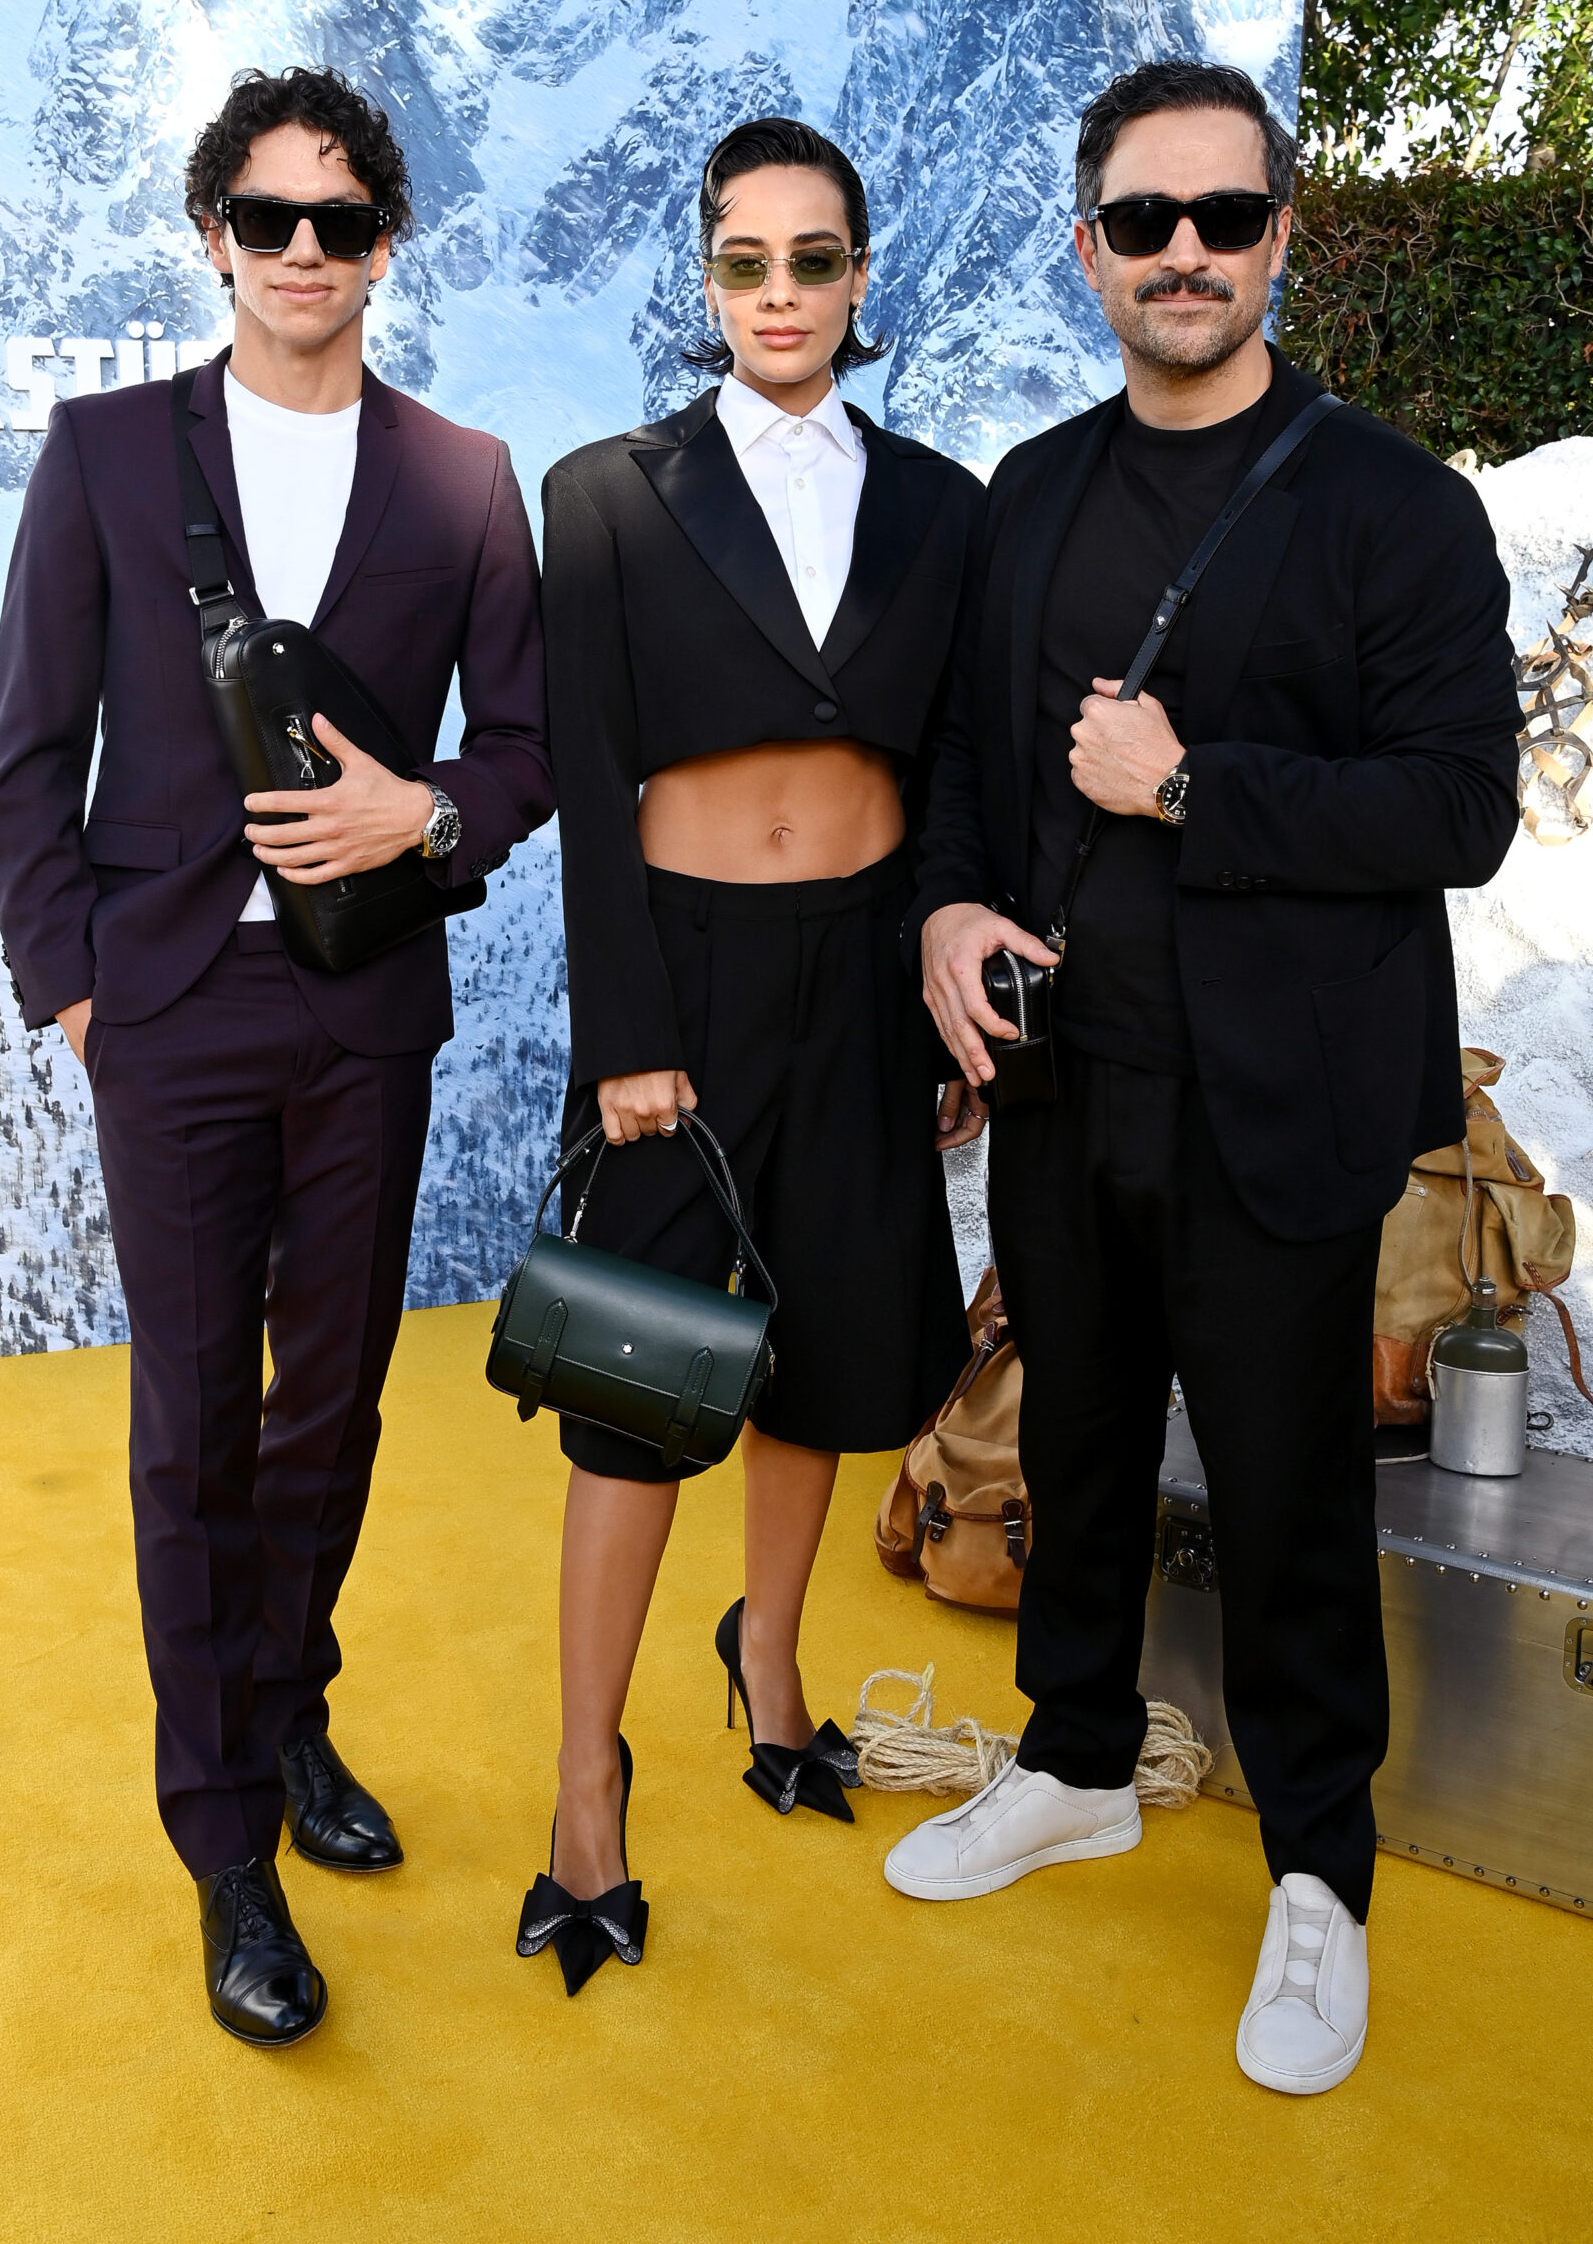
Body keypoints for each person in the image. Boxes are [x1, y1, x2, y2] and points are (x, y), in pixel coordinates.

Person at [886, 60, 1519, 2096]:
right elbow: (970, 758)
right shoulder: (1031, 493)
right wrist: (944, 912)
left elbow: (1459, 807)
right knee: (1073, 1441)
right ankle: (1076, 1757)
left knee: (1283, 1491)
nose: (1183, 253)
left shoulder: (1394, 507)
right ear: (1087, 248)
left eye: (1222, 218)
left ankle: (1320, 1866)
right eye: (1143, 221)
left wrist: (1190, 787)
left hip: (1281, 1097)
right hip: (1068, 1080)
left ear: (1278, 238)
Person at [0, 65, 553, 2047]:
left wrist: (427, 814)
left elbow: (527, 746)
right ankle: (225, 1834)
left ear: (385, 244)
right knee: (192, 1423)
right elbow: (29, 750)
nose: (302, 250)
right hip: (167, 1009)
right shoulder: (104, 451)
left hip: (363, 1007)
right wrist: (78, 990)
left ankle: (288, 1703)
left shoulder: (464, 479)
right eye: (266, 217)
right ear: (213, 236)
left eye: (340, 219)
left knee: (334, 1408)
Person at [522, 117, 981, 1995]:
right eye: (745, 260)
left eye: (814, 258)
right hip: (686, 988)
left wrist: (944, 983)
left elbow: (955, 770)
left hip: (868, 975)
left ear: (860, 277)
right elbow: (584, 775)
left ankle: (770, 1660)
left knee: (824, 1355)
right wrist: (629, 1034)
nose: (780, 292)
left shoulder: (945, 504)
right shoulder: (606, 495)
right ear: (706, 278)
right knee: (639, 1384)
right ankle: (585, 1783)